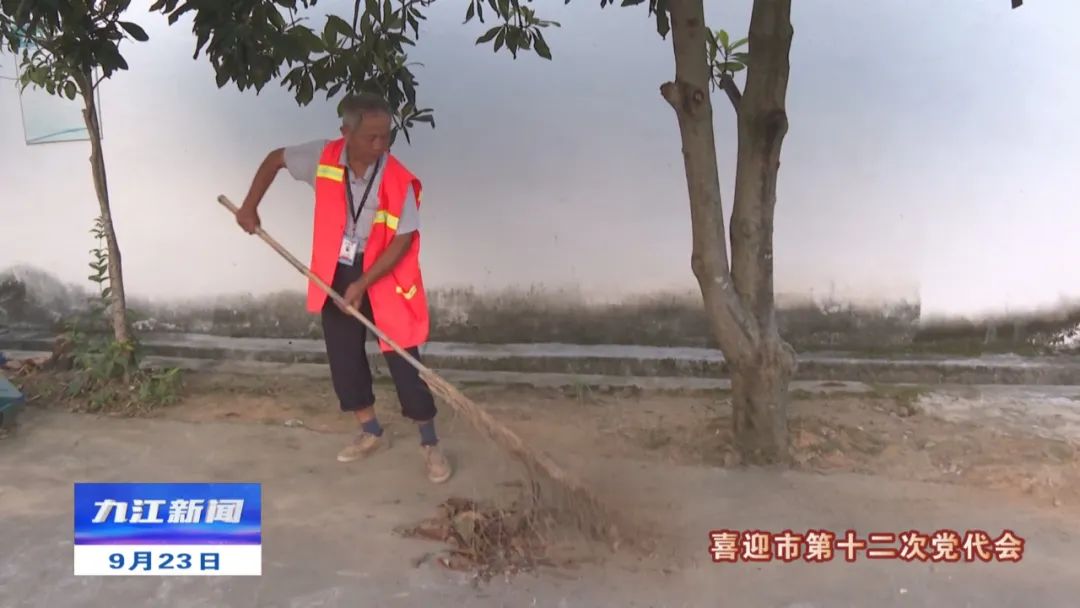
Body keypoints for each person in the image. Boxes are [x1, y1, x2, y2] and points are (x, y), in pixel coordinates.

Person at [234, 93, 451, 484]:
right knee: (344, 356)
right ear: (346, 133)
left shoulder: (397, 177)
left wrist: (364, 284)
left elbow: (402, 240)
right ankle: (370, 431)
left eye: (386, 136)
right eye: (371, 137)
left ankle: (430, 443)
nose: (381, 145)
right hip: (337, 269)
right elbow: (275, 159)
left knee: (404, 358)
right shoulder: (323, 157)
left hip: (384, 272)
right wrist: (250, 206)